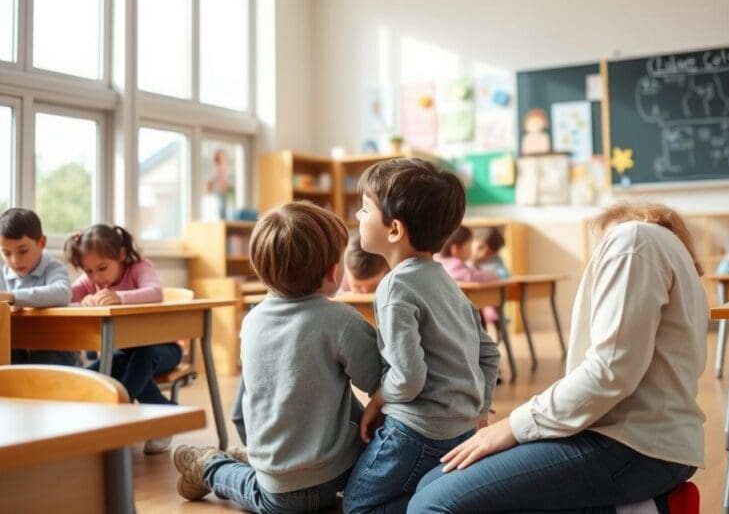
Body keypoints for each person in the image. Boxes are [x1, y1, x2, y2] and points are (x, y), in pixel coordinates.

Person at [407, 202, 707, 513]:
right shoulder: (664, 250)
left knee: (433, 503)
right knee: (431, 485)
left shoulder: (632, 240)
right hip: (643, 443)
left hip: (635, 445)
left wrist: (513, 425)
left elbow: (610, 371)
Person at [172, 201, 382, 513]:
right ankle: (210, 467)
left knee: (275, 493)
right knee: (267, 495)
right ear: (333, 271)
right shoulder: (341, 320)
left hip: (287, 470)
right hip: (340, 469)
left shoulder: (252, 319)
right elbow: (380, 378)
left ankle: (244, 457)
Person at [343, 158, 500, 514]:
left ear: (394, 229)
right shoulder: (445, 280)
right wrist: (479, 409)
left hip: (415, 433)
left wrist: (378, 401)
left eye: (364, 210)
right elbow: (489, 353)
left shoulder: (395, 286)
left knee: (357, 507)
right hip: (461, 428)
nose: (357, 217)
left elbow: (409, 379)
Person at [64, 224, 180, 454]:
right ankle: (164, 414)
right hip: (122, 352)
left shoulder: (139, 267)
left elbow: (155, 292)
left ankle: (118, 416)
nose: (96, 277)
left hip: (163, 349)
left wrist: (119, 297)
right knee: (94, 374)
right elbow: (64, 296)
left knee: (141, 358)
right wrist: (82, 302)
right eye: (88, 272)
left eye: (102, 268)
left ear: (122, 255)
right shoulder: (91, 280)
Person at [0, 207, 75, 365]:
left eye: (23, 251)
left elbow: (63, 293)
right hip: (12, 346)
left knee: (42, 365)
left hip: (53, 347)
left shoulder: (53, 268)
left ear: (41, 243)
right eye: (6, 253)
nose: (15, 260)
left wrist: (12, 297)